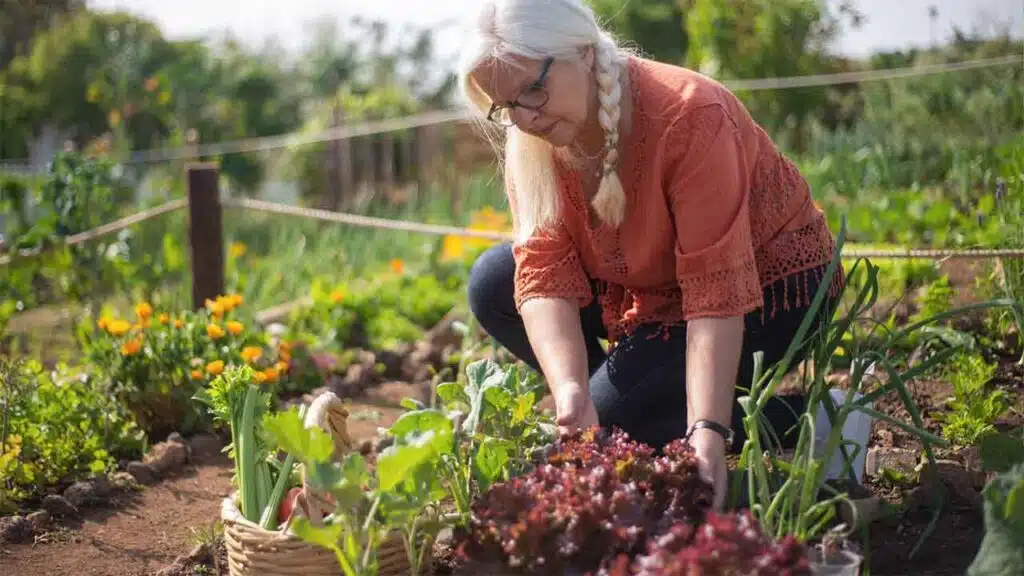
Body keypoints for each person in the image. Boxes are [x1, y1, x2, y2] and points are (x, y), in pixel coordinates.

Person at [457, 0, 845, 510]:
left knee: (625, 422)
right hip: (652, 286)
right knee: (493, 282)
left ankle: (822, 418)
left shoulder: (690, 114)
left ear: (583, 53)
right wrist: (572, 391)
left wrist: (707, 430)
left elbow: (716, 291)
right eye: (505, 107)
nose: (524, 119)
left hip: (772, 285)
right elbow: (543, 270)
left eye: (533, 89)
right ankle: (624, 407)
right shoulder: (533, 139)